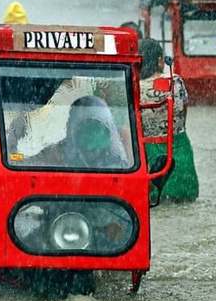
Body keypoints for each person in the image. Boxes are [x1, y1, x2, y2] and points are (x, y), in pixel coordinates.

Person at [139, 38, 199, 202]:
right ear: (159, 60)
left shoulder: (134, 87)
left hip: (152, 160)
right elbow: (182, 118)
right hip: (180, 154)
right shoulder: (175, 82)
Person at [27, 96, 130, 169]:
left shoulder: (124, 147)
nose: (92, 134)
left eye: (97, 125)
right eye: (85, 125)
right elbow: (24, 163)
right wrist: (15, 156)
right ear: (72, 128)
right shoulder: (58, 152)